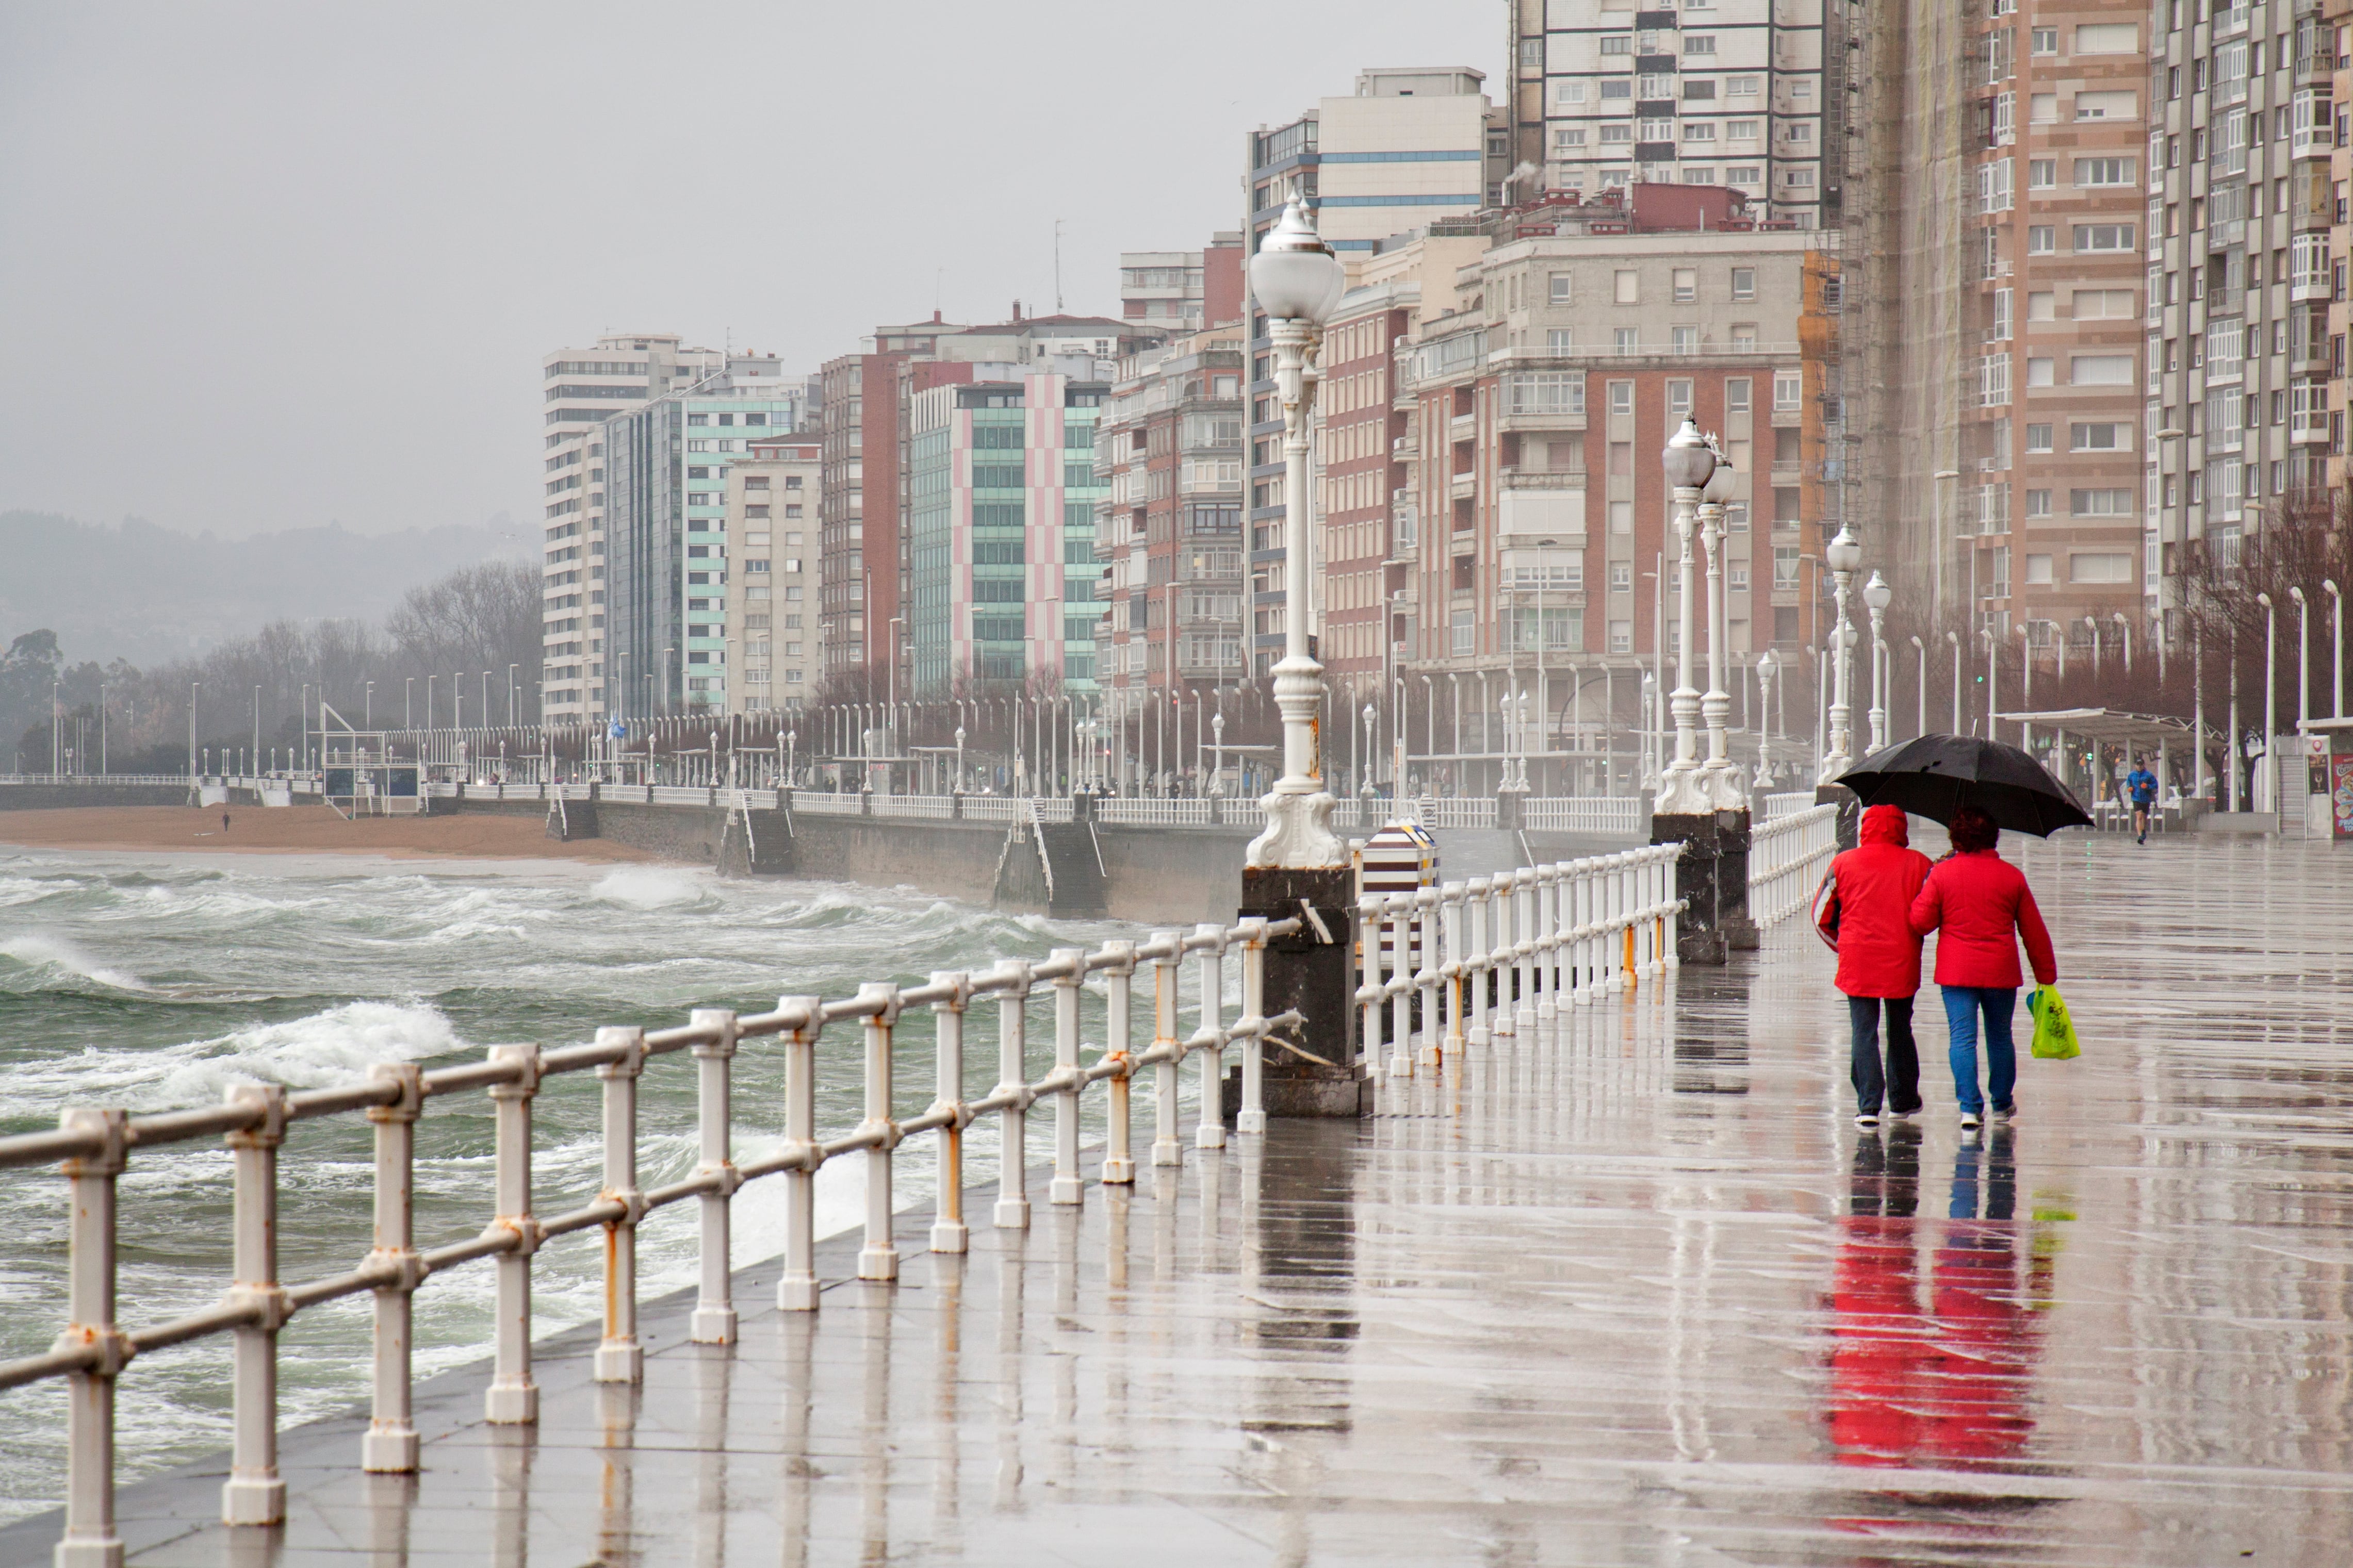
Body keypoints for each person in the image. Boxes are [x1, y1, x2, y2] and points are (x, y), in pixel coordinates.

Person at [1907, 804, 2058, 1131]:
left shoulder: (1943, 874)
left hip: (1957, 971)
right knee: (2001, 1038)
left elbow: (1920, 922)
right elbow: (2033, 931)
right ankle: (2002, 1104)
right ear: (1994, 838)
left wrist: (1931, 880)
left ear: (1956, 837)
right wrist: (2046, 975)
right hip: (2000, 971)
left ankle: (1969, 1109)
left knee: (1962, 1039)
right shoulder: (2012, 877)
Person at [1818, 804, 1935, 1128]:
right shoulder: (1921, 865)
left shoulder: (1843, 863)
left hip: (1858, 959)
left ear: (1864, 827)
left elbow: (1820, 917)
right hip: (1902, 958)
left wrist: (1842, 948)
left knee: (1864, 1032)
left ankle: (1868, 1106)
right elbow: (1930, 914)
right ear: (1902, 828)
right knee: (1900, 1030)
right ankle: (1902, 1100)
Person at [2125, 756, 2159, 844]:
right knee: (2139, 815)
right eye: (2138, 765)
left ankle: (2143, 831)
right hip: (2136, 798)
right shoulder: (2132, 775)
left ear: (2144, 765)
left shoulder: (2149, 775)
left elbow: (2155, 785)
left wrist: (2148, 787)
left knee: (2144, 817)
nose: (2139, 766)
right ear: (2135, 766)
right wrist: (2130, 788)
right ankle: (2140, 836)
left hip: (2146, 798)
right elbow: (2129, 782)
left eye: (2141, 765)